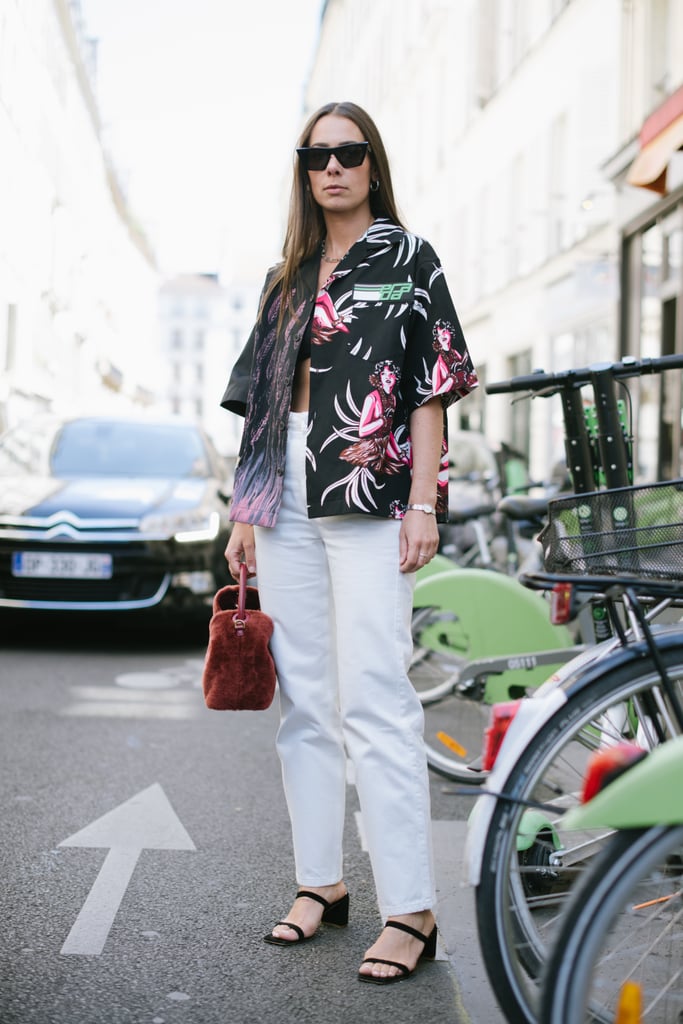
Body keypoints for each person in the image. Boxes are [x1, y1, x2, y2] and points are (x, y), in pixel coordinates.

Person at [221, 100, 477, 984]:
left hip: (372, 489)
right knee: (306, 699)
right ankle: (319, 885)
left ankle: (411, 908)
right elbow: (260, 398)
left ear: (372, 163)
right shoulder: (285, 275)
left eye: (349, 152)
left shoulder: (408, 258)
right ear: (303, 170)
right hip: (283, 483)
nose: (332, 166)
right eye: (316, 154)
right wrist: (243, 510)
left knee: (375, 695)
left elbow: (430, 387)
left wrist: (424, 501)